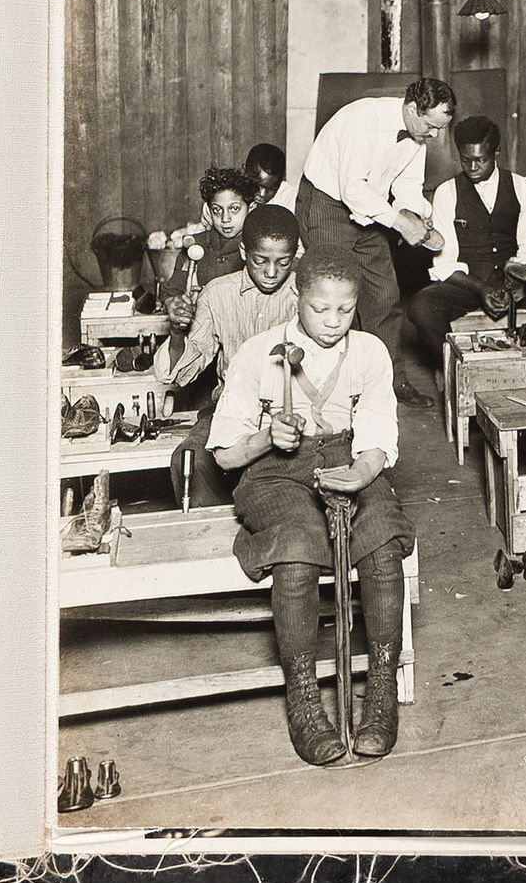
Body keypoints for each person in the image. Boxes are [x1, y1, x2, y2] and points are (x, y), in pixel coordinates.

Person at [208, 250, 413, 765]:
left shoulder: (368, 352)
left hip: (347, 459)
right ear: (297, 296)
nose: (333, 322)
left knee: (382, 537)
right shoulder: (260, 352)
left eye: (344, 310)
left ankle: (381, 691)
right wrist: (266, 438)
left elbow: (377, 435)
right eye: (320, 309)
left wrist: (360, 476)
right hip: (275, 470)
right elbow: (226, 454)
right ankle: (303, 698)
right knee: (298, 544)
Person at [296, 77, 457, 408]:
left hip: (373, 211)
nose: (435, 135)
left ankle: (391, 382)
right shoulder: (364, 122)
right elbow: (352, 190)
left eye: (440, 128)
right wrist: (398, 222)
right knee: (336, 298)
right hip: (328, 204)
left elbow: (409, 186)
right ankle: (337, 389)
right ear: (412, 109)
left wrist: (417, 217)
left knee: (385, 295)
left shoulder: (417, 136)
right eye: (431, 126)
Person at [406, 115, 526, 366]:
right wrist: (481, 289)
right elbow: (444, 264)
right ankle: (460, 370)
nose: (473, 167)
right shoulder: (447, 192)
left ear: (496, 152)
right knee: (421, 307)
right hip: (469, 285)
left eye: (481, 159)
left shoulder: (522, 186)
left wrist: (517, 282)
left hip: (513, 280)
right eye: (466, 160)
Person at [158, 204, 302, 509]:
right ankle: (211, 546)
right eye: (260, 260)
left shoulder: (306, 297)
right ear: (242, 250)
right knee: (191, 461)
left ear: (295, 256)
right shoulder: (216, 294)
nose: (272, 272)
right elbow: (181, 373)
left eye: (283, 262)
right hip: (229, 410)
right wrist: (176, 332)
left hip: (292, 413)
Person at [161, 167, 259, 329]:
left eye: (234, 208)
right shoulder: (194, 246)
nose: (225, 218)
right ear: (208, 210)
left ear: (252, 207)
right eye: (217, 210)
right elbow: (170, 292)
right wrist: (173, 304)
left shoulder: (258, 249)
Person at [242, 143, 297, 210]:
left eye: (272, 189)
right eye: (256, 185)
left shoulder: (289, 198)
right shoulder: (234, 192)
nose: (262, 195)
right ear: (244, 171)